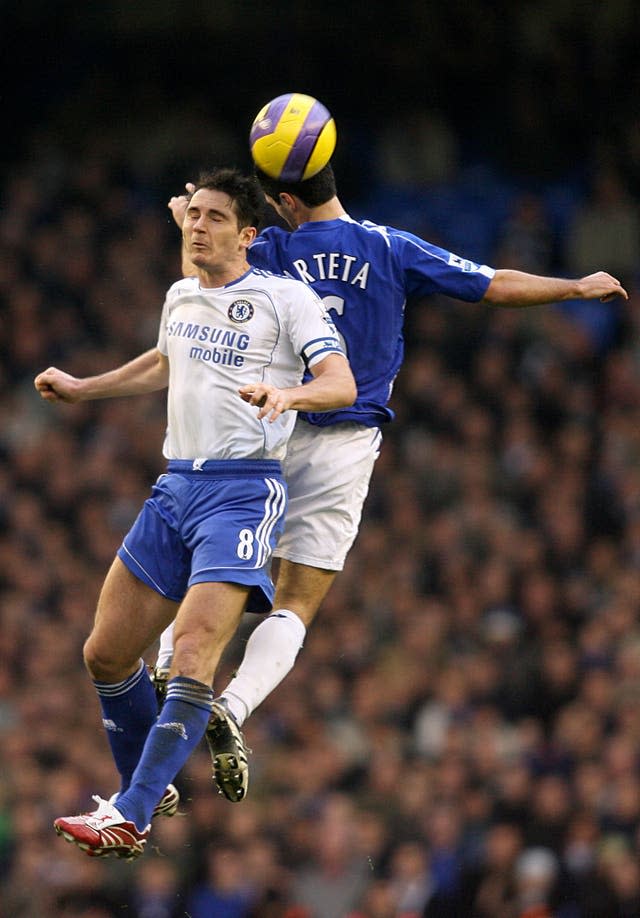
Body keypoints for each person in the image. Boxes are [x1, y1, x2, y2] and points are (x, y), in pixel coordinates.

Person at [158, 161, 628, 807]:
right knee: (297, 598)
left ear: (283, 201)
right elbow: (491, 284)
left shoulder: (265, 245)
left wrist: (193, 224)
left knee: (213, 561)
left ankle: (166, 666)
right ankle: (234, 704)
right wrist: (573, 287)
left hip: (273, 422)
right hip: (344, 445)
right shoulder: (387, 246)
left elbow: (204, 293)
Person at [34, 167, 355, 860]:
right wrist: (84, 388)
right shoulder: (180, 296)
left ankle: (132, 814)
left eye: (212, 217)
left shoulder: (284, 298)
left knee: (188, 658)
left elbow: (341, 382)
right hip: (175, 486)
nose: (196, 226)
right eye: (193, 214)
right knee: (105, 654)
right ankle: (142, 793)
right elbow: (164, 361)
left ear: (247, 236)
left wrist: (285, 397)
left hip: (241, 493)